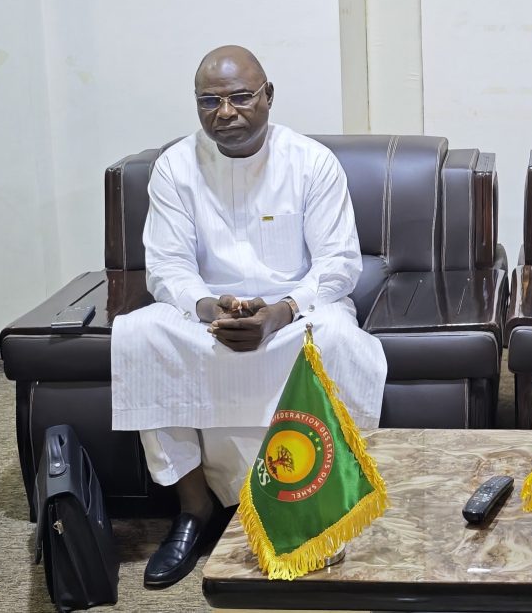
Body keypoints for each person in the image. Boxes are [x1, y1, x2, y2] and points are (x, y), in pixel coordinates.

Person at [110, 46, 387, 589]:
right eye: (209, 101)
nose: (225, 112)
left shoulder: (310, 162)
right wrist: (210, 307)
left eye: (240, 97)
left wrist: (280, 312)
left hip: (296, 312)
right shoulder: (175, 167)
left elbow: (338, 264)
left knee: (337, 339)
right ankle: (193, 509)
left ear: (268, 96)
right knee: (139, 334)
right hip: (205, 315)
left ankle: (322, 503)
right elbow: (166, 266)